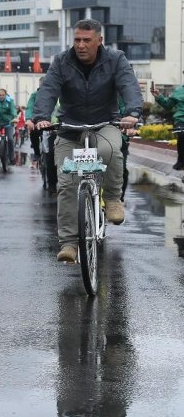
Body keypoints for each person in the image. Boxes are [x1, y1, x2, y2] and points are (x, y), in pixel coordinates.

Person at [33, 19, 142, 263]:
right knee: (66, 183)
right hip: (70, 127)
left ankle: (113, 199)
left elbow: (129, 86)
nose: (81, 45)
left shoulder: (116, 59)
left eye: (86, 40)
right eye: (77, 40)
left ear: (99, 41)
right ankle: (69, 243)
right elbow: (48, 90)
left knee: (111, 150)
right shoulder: (61, 61)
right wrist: (41, 117)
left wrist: (133, 113)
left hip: (105, 123)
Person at [152, 79, 184, 170]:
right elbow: (167, 105)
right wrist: (158, 96)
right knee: (182, 135)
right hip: (181, 119)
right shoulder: (179, 91)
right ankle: (181, 161)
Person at [0, 88, 16, 168]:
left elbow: (13, 110)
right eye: (0, 95)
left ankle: (11, 157)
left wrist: (14, 117)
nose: (1, 97)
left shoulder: (10, 101)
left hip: (8, 123)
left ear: (6, 95)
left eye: (3, 95)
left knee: (10, 139)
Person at [25, 78, 45, 169]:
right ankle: (37, 153)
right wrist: (29, 119)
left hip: (52, 122)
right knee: (33, 131)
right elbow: (29, 107)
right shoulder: (34, 95)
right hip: (37, 120)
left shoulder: (56, 94)